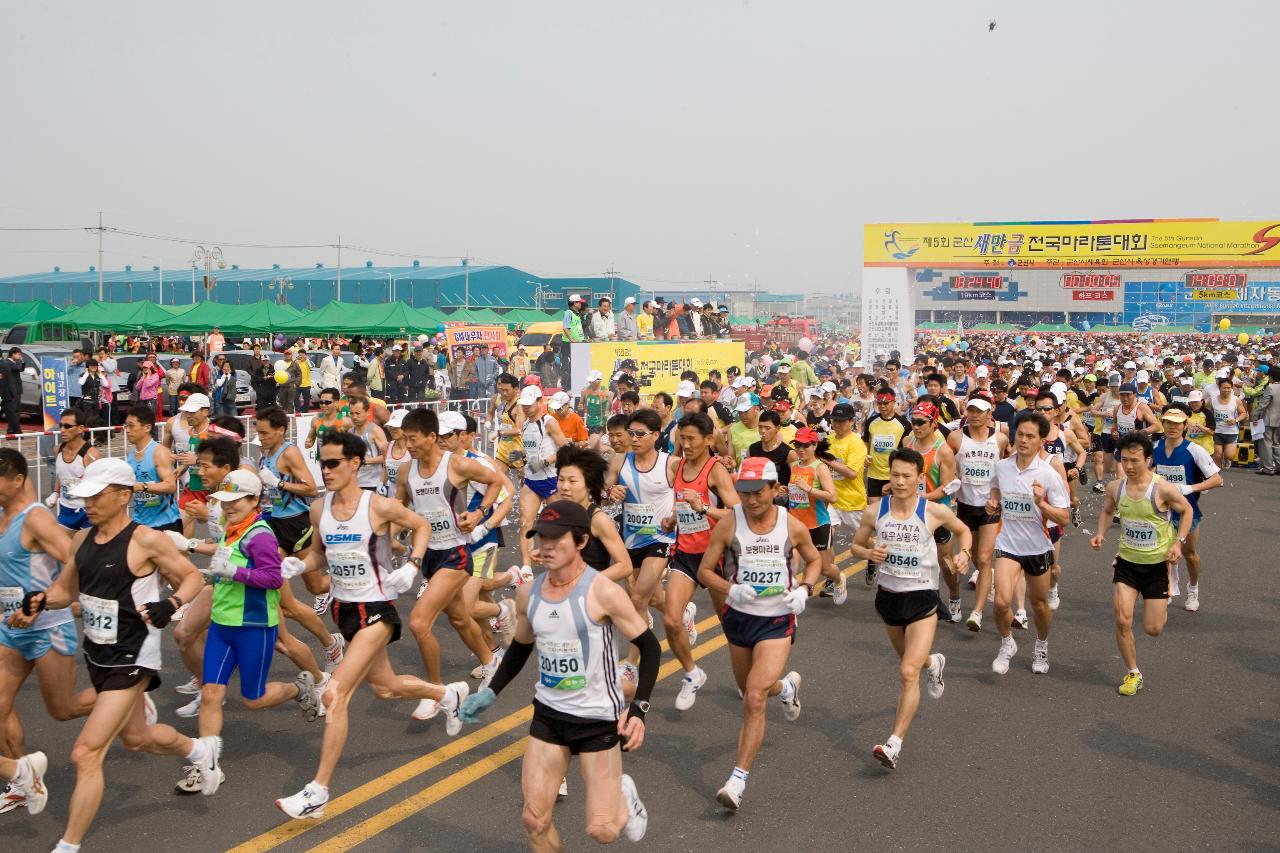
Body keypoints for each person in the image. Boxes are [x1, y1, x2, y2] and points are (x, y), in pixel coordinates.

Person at [18, 458, 213, 851]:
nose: (87, 504)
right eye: (84, 497)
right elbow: (64, 591)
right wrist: (40, 601)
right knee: (138, 740)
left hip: (133, 656)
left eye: (96, 496)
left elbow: (192, 575)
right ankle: (200, 750)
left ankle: (68, 845)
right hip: (97, 654)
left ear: (124, 496)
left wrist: (170, 603)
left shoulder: (146, 540)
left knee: (85, 753)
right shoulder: (80, 540)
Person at [277, 430, 469, 819]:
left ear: (354, 463)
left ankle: (318, 792)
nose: (326, 470)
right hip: (345, 611)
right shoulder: (320, 509)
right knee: (385, 688)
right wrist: (300, 565)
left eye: (332, 463)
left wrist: (413, 564)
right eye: (322, 463)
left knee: (335, 694)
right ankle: (448, 695)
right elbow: (318, 554)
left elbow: (422, 526)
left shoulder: (377, 506)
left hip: (377, 610)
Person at [457, 500, 656, 848]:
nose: (544, 547)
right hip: (549, 715)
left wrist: (638, 710)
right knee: (534, 819)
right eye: (540, 538)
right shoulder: (528, 593)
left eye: (555, 539)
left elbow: (650, 647)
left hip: (597, 719)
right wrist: (491, 691)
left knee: (603, 831)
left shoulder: (603, 592)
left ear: (580, 542)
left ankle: (623, 798)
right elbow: (520, 647)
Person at [172, 468, 323, 792]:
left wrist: (235, 571)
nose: (227, 507)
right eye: (224, 501)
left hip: (254, 626)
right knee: (212, 693)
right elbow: (229, 566)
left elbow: (272, 579)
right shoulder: (231, 528)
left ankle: (300, 688)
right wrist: (212, 570)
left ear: (254, 500)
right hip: (222, 625)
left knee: (253, 700)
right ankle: (207, 765)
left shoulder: (261, 535)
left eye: (235, 501)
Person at [697, 457, 820, 810]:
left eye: (758, 492)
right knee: (752, 689)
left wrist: (805, 590)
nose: (751, 500)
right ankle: (786, 687)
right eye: (744, 492)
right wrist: (729, 589)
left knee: (753, 697)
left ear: (775, 490)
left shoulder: (790, 525)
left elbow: (814, 561)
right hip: (739, 619)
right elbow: (706, 571)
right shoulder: (729, 524)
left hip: (777, 620)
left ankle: (737, 780)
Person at [849, 448, 971, 769]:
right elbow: (855, 545)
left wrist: (964, 554)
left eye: (907, 476)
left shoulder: (932, 511)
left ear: (920, 478)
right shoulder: (875, 511)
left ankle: (894, 743)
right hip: (888, 598)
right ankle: (934, 662)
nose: (900, 481)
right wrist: (867, 554)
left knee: (907, 672)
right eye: (895, 475)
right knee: (910, 662)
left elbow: (963, 531)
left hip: (922, 599)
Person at [0, 447, 94, 815]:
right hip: (10, 628)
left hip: (46, 629)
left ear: (18, 479)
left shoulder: (35, 518)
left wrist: (43, 600)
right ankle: (25, 780)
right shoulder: (4, 518)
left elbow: (74, 562)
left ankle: (125, 699)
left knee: (64, 708)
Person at [396, 408, 504, 718]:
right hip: (429, 554)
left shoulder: (455, 464)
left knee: (419, 622)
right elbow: (398, 510)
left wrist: (480, 512)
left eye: (413, 439)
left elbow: (496, 481)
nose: (409, 446)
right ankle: (491, 661)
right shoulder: (406, 472)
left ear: (431, 437)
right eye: (404, 440)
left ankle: (436, 692)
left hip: (455, 553)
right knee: (459, 618)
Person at [1090, 432, 1193, 696]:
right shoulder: (1117, 487)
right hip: (1127, 562)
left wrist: (1178, 542)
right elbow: (1107, 509)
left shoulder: (1163, 489)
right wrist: (1101, 533)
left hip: (1158, 565)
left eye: (1135, 460)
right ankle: (1133, 673)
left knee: (1153, 628)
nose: (1130, 466)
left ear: (1148, 459)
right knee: (1123, 620)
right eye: (1125, 460)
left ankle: (1165, 599)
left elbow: (1187, 510)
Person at [662, 412, 739, 710]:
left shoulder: (715, 470)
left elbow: (736, 512)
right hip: (685, 554)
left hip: (715, 556)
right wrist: (673, 519)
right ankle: (693, 673)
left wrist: (704, 507)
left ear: (708, 439)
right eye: (683, 438)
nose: (686, 443)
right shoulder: (678, 466)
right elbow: (683, 505)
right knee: (670, 619)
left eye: (692, 438)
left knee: (729, 626)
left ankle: (745, 678)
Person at [986, 412, 1071, 676]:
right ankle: (1007, 642)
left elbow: (1064, 518)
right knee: (1001, 602)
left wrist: (1041, 503)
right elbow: (995, 489)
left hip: (1037, 548)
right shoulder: (1002, 467)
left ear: (1041, 440)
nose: (1022, 440)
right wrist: (993, 501)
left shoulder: (1048, 474)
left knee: (1039, 605)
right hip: (1008, 545)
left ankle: (1041, 645)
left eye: (1030, 436)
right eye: (1019, 434)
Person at [1151, 404, 1222, 613]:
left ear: (1184, 426)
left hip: (1187, 512)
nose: (1172, 427)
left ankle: (1193, 588)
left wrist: (1189, 488)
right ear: (1162, 425)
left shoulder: (1194, 450)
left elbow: (1217, 479)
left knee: (1189, 553)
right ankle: (1169, 589)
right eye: (1168, 423)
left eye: (1177, 424)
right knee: (1162, 553)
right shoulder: (1154, 448)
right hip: (1161, 512)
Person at [948, 396, 1009, 630]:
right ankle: (987, 579)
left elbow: (1005, 467)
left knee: (984, 558)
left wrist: (1001, 497)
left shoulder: (1000, 439)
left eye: (979, 411)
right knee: (975, 557)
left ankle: (977, 612)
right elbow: (947, 461)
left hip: (989, 507)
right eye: (970, 410)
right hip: (965, 505)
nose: (974, 415)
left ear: (988, 414)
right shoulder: (956, 437)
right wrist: (951, 480)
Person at [515, 384, 568, 573]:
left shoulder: (549, 422)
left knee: (557, 524)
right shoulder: (525, 424)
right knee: (525, 523)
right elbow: (529, 451)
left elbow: (564, 448)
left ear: (540, 402)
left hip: (551, 479)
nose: (526, 408)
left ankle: (562, 563)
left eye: (530, 404)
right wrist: (520, 458)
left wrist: (545, 462)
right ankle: (526, 568)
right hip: (531, 481)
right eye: (524, 405)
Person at [123, 406, 182, 534]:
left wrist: (143, 487)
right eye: (125, 426)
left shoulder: (159, 452)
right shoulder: (130, 452)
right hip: (139, 521)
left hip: (165, 522)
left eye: (131, 426)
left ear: (147, 428)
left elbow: (171, 486)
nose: (127, 430)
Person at [49, 408, 102, 531]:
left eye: (67, 426)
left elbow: (101, 486)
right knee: (61, 546)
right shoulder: (58, 450)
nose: (62, 430)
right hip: (66, 510)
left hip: (88, 511)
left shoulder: (91, 455)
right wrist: (55, 493)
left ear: (80, 428)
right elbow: (60, 473)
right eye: (61, 425)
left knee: (84, 548)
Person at [349, 397, 388, 492]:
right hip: (356, 483)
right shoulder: (350, 432)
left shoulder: (376, 431)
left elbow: (387, 457)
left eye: (358, 413)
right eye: (352, 413)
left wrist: (367, 461)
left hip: (374, 483)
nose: (354, 417)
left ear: (367, 412)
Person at [1210, 374, 1247, 468]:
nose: (1226, 390)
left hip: (1231, 432)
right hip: (1217, 431)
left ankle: (1227, 460)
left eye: (1229, 388)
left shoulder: (1236, 400)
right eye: (1224, 388)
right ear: (1219, 388)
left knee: (1229, 455)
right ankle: (1217, 475)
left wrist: (1236, 420)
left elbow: (1243, 413)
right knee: (1217, 454)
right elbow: (1208, 413)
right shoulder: (1212, 400)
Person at [0, 348, 24, 436]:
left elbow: (3, 381)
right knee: (12, 413)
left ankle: (16, 432)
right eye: (18, 354)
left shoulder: (3, 364)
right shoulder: (5, 363)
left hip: (7, 393)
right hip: (7, 393)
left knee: (12, 413)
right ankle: (16, 432)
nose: (19, 356)